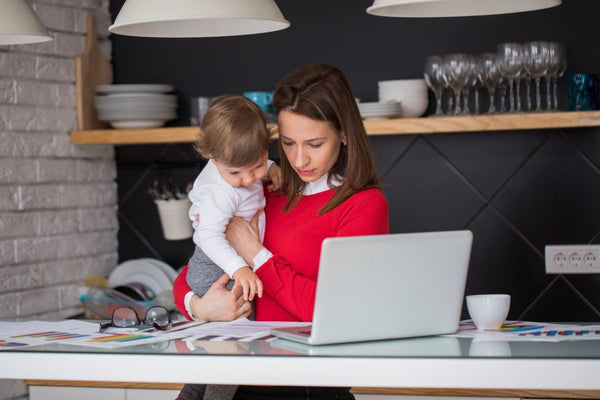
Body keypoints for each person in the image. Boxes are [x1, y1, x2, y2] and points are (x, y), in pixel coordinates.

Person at [173, 64, 389, 400]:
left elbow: (334, 312)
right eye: (288, 143)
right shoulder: (262, 190)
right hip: (235, 380)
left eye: (314, 144)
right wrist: (199, 308)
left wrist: (255, 255)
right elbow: (193, 271)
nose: (299, 159)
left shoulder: (363, 205)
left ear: (344, 133)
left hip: (304, 387)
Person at [177, 95, 282, 400]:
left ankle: (191, 395)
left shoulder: (239, 164)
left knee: (214, 350)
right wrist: (239, 267)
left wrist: (272, 167)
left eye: (258, 165)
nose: (249, 179)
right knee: (234, 346)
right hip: (216, 267)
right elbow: (207, 237)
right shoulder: (219, 192)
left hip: (224, 263)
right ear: (212, 157)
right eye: (236, 173)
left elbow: (251, 165)